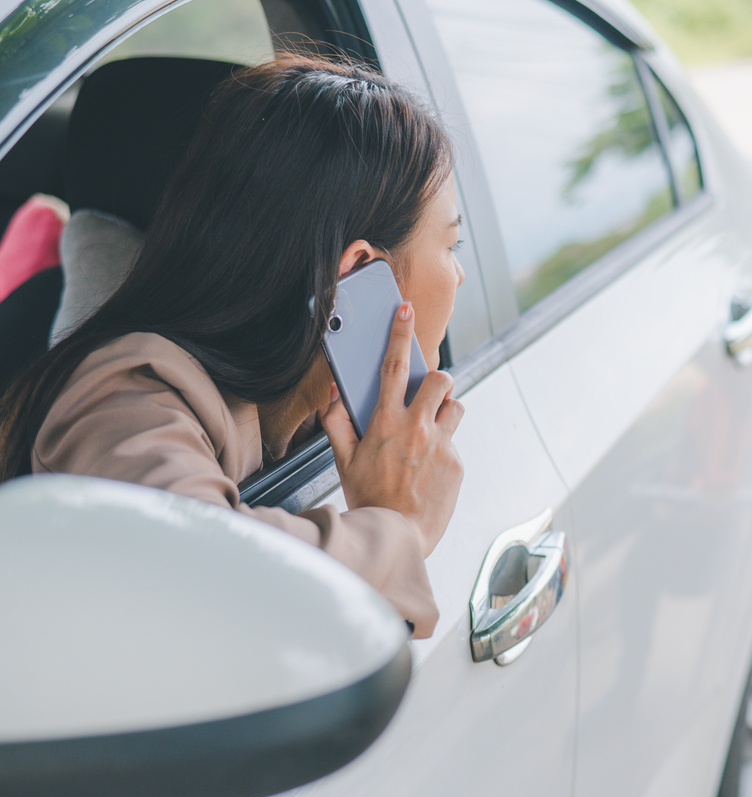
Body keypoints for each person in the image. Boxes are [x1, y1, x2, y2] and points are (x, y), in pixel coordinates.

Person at [0, 55, 466, 638]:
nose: (460, 278)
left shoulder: (317, 414)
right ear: (358, 273)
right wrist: (400, 527)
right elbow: (207, 584)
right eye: (452, 246)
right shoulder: (127, 396)